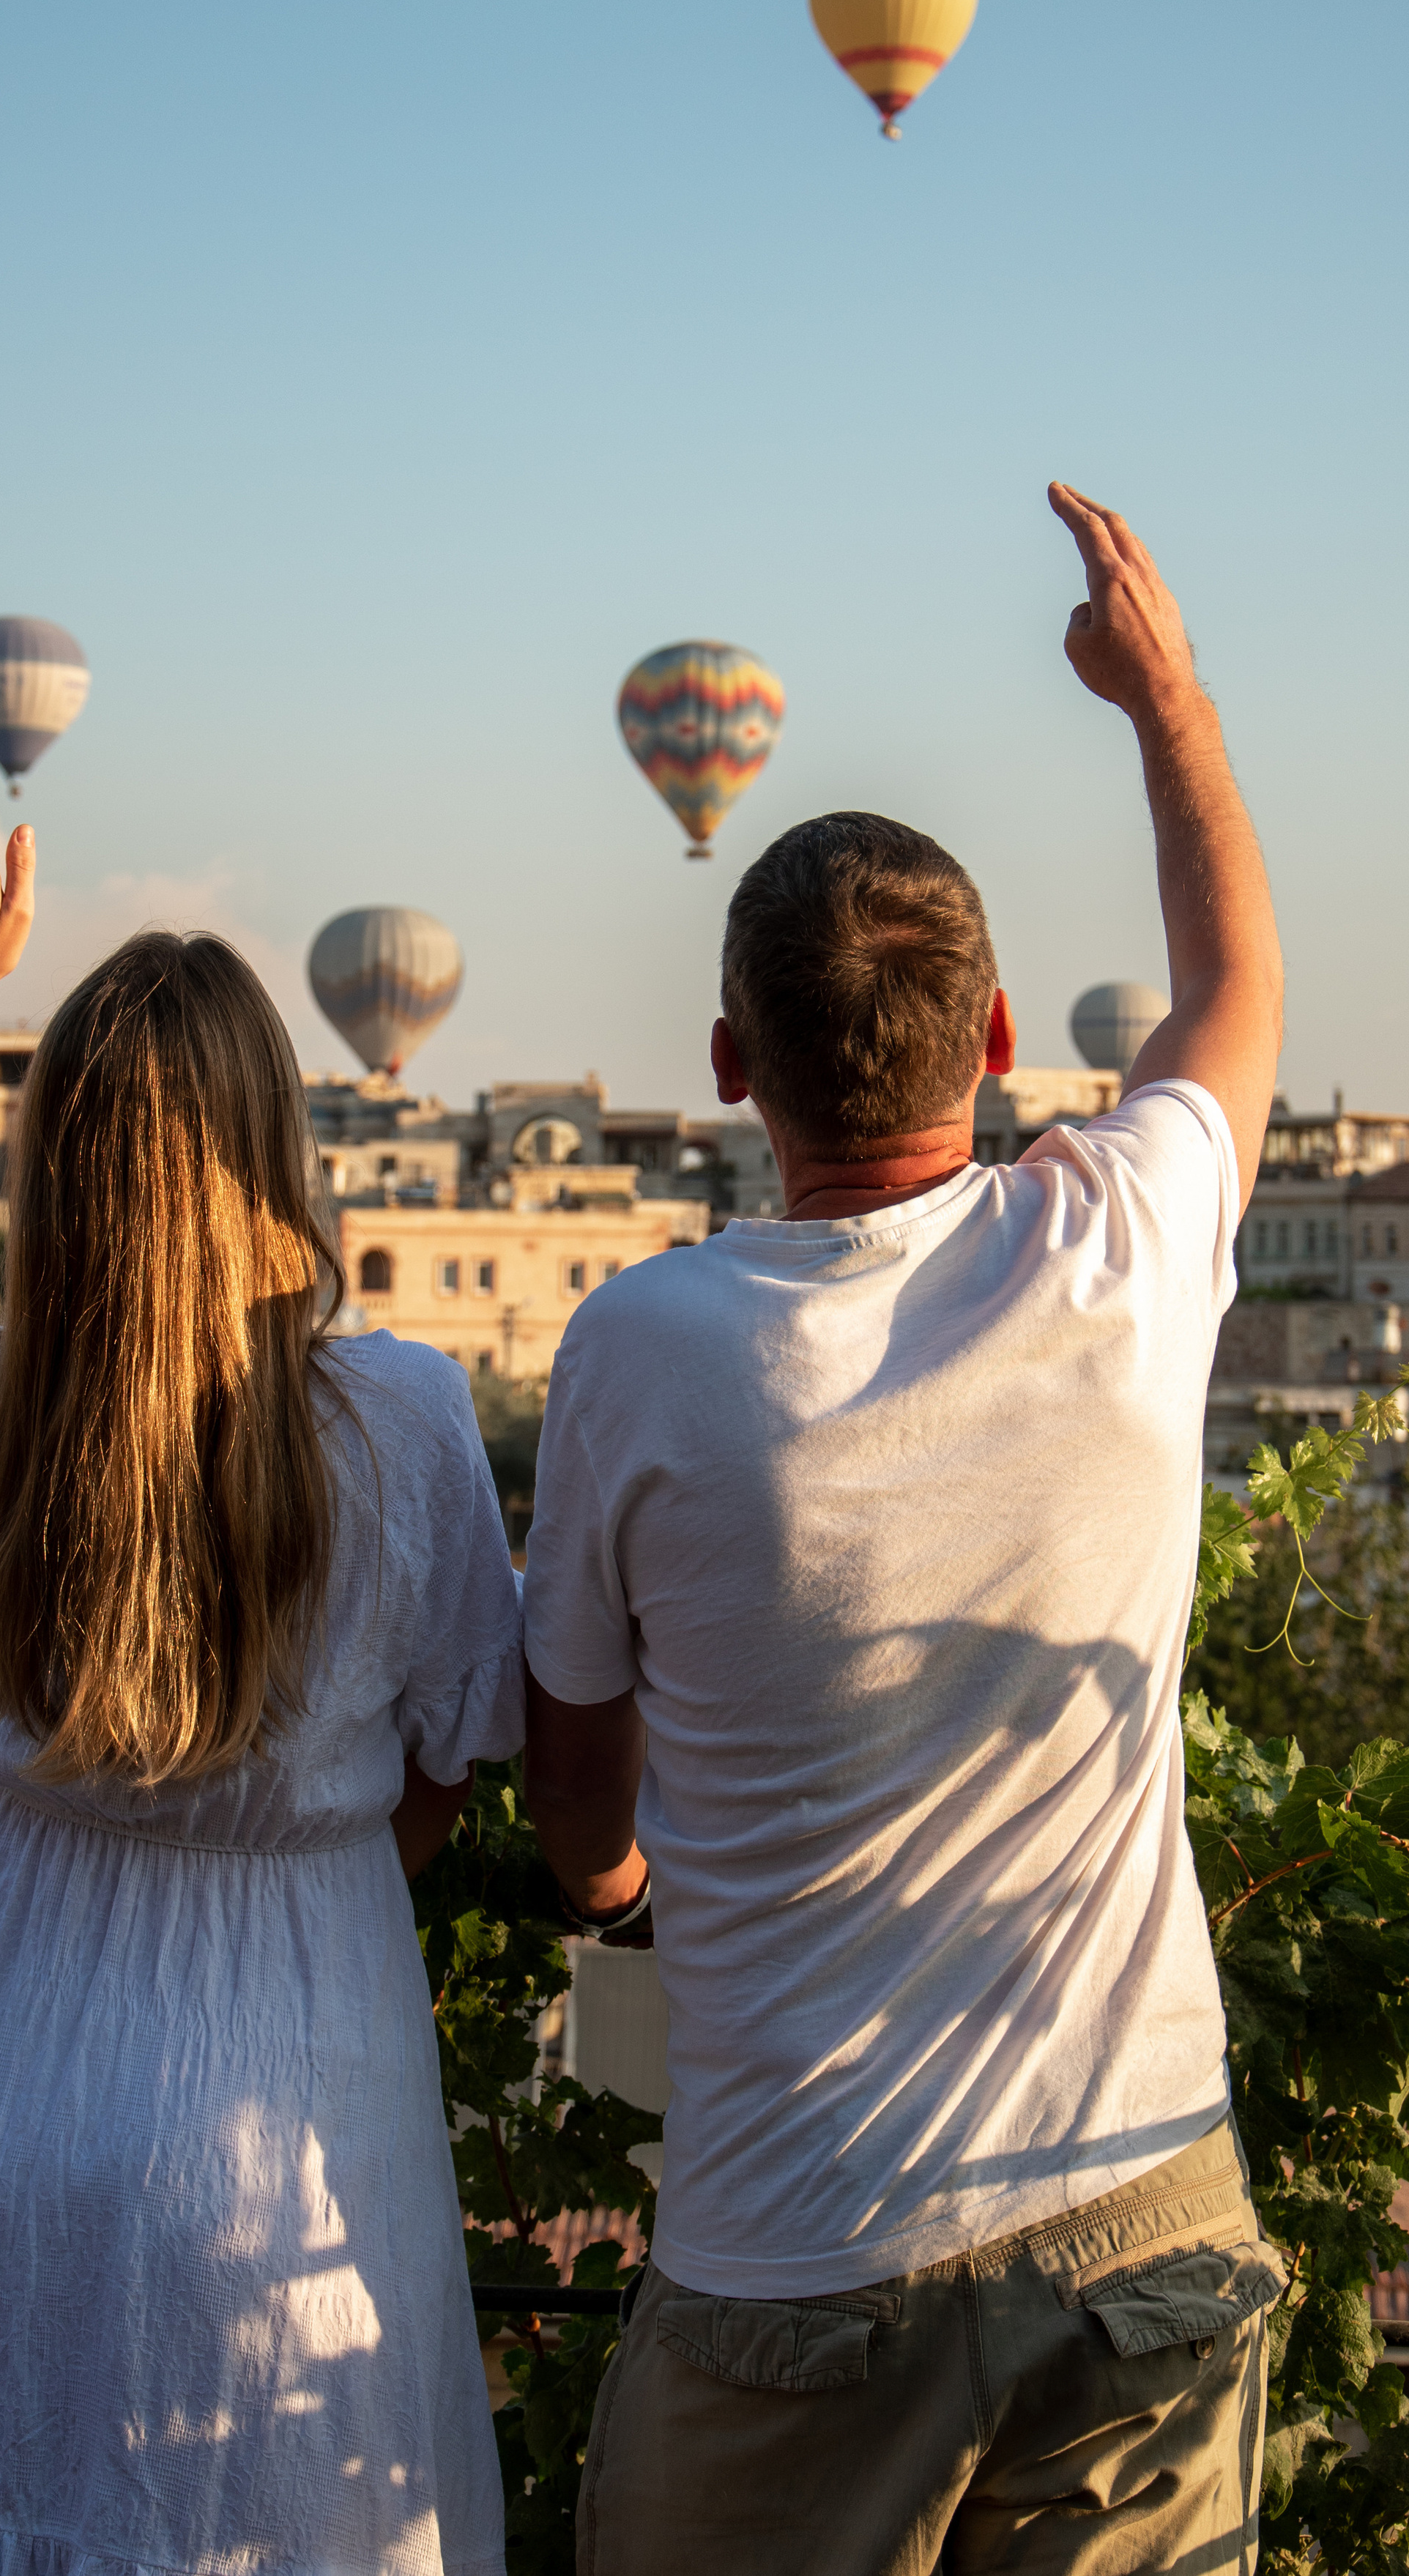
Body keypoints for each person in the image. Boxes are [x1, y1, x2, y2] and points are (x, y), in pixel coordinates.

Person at [523, 486, 1288, 2576]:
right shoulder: (1121, 1243)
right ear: (1008, 1039)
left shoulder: (641, 1347)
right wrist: (1170, 704)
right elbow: (1232, 982)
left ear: (726, 1065)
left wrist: (611, 1890)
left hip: (796, 2250)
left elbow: (575, 1777)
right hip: (1139, 2221)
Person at [0, 737, 520, 2576]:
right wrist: (313, 1853)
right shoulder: (399, 1425)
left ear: (49, 1170)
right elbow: (453, 1755)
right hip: (295, 2117)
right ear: (279, 1150)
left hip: (7, 2114)